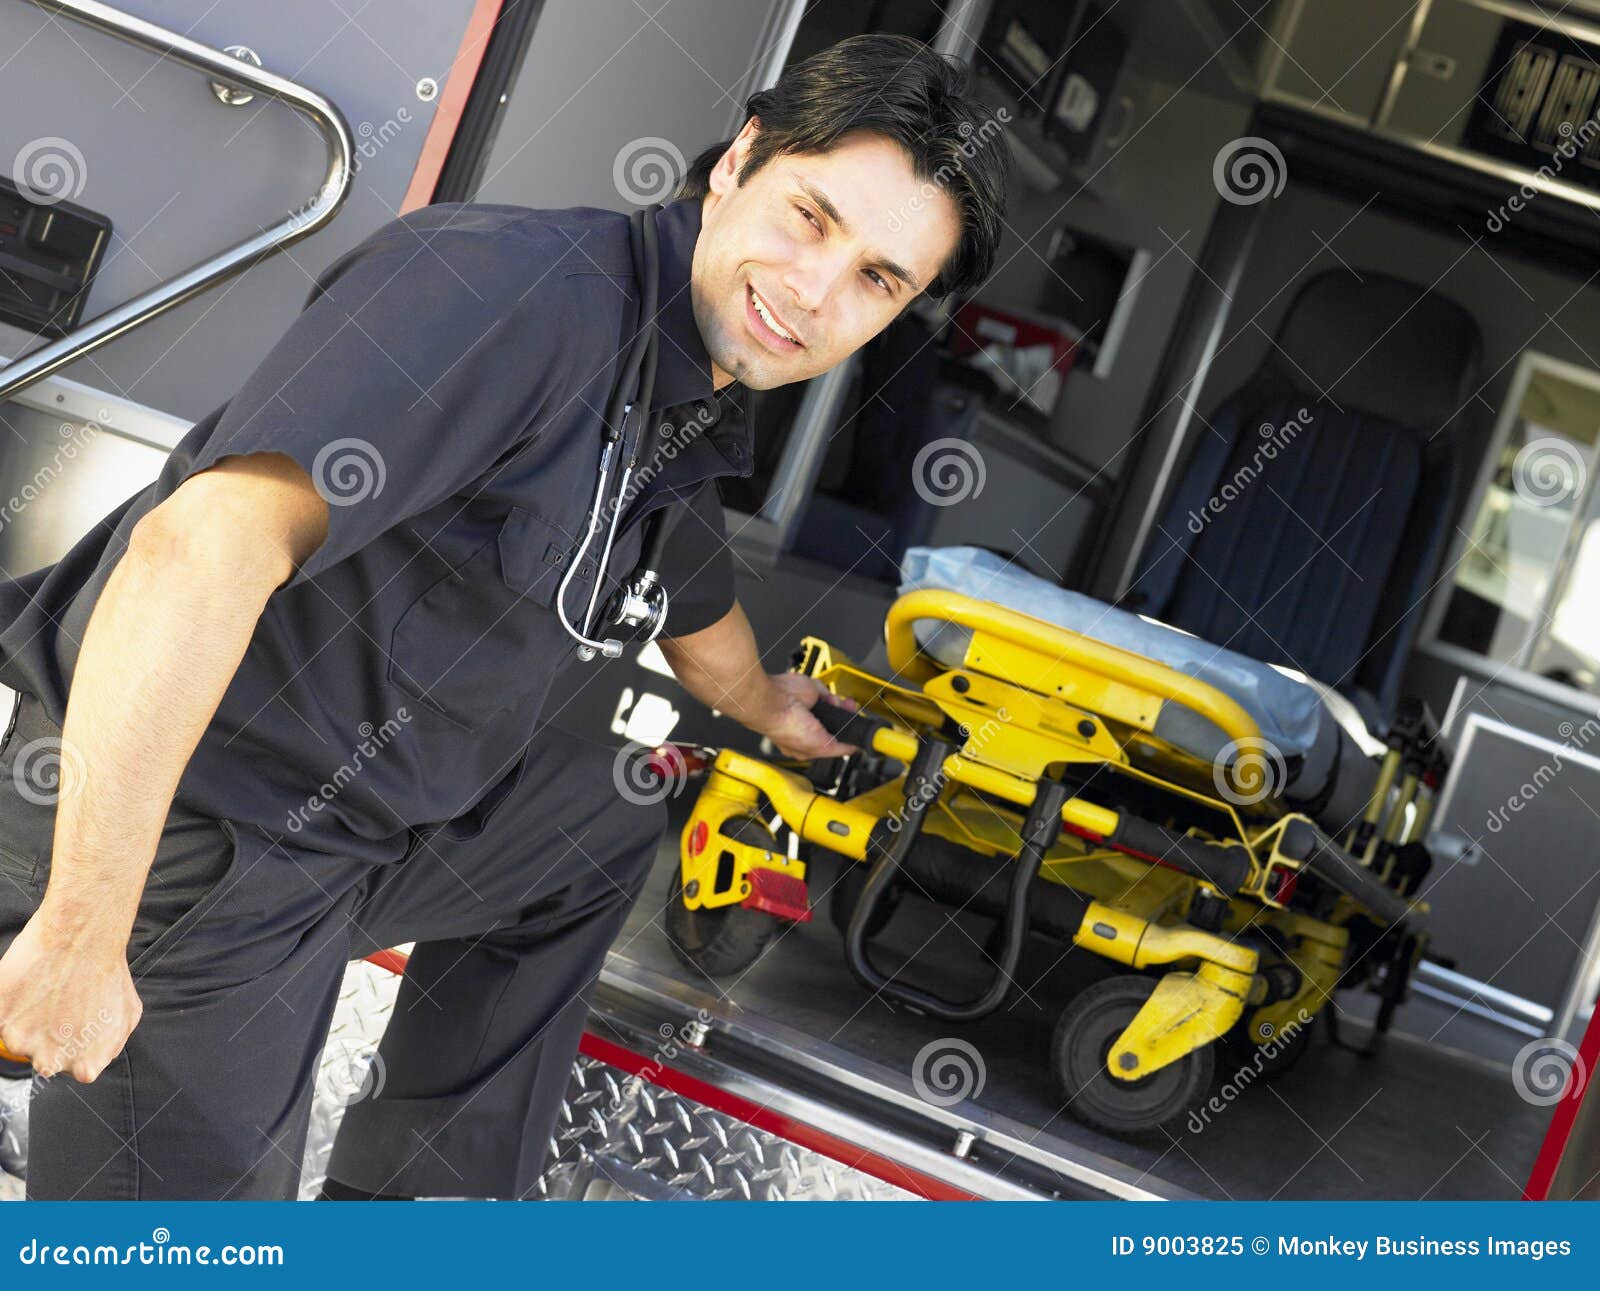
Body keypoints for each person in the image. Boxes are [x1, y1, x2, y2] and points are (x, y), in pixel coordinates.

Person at [0, 32, 1010, 1199]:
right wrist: (84, 930)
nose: (815, 291)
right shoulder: (518, 299)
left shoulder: (677, 383)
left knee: (606, 809)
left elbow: (688, 581)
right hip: (200, 849)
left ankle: (415, 1204)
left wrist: (765, 704)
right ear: (738, 162)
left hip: (364, 838)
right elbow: (195, 548)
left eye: (879, 279)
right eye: (811, 217)